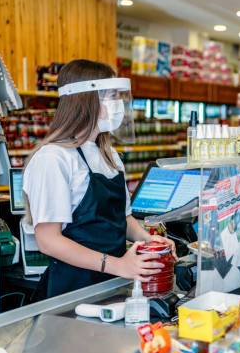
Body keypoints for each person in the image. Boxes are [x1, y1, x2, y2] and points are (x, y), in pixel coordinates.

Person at [23, 59, 175, 299]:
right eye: (111, 96)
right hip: (71, 290)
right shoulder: (53, 158)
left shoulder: (108, 154)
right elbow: (49, 241)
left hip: (111, 284)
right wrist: (118, 265)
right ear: (84, 100)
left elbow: (121, 219)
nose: (118, 105)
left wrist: (150, 241)